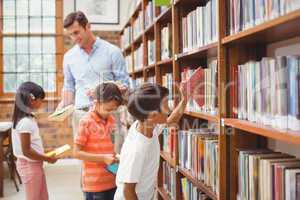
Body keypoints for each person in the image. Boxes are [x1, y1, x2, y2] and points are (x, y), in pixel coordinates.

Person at [56, 11, 129, 139]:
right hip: (81, 113)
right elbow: (69, 85)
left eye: (76, 32)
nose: (74, 38)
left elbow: (124, 84)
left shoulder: (113, 52)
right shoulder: (69, 57)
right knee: (85, 155)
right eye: (70, 35)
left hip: (108, 112)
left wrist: (104, 90)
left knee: (111, 155)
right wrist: (63, 105)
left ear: (88, 26)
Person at [114, 83, 188, 200]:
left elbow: (170, 121)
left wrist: (184, 100)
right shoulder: (137, 149)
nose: (169, 109)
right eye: (165, 106)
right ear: (152, 116)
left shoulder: (146, 125)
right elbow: (128, 190)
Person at [73, 82, 124, 200]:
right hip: (95, 185)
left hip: (112, 179)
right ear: (96, 103)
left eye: (113, 110)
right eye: (107, 109)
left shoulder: (110, 119)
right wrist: (103, 158)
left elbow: (108, 145)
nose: (110, 113)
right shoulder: (86, 122)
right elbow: (76, 153)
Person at [11, 82, 58, 200]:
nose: (42, 103)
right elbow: (26, 151)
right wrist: (47, 158)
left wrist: (45, 152)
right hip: (30, 166)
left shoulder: (27, 119)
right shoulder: (25, 122)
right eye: (41, 100)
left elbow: (31, 145)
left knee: (42, 196)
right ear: (31, 100)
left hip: (34, 164)